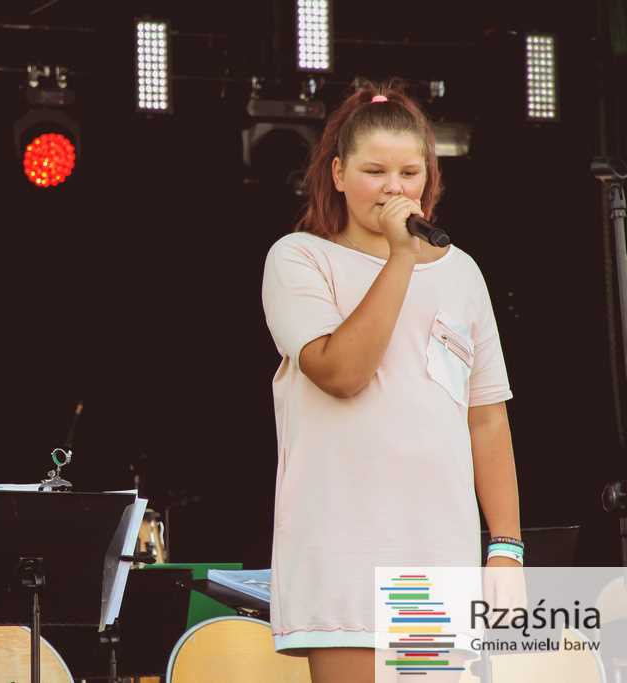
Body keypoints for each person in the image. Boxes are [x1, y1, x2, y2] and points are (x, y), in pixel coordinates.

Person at [261, 80, 523, 683]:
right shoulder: (300, 259)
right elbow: (341, 372)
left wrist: (506, 547)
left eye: (409, 173)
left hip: (434, 551)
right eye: (374, 171)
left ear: (430, 178)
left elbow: (486, 417)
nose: (394, 188)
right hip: (342, 549)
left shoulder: (462, 272)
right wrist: (401, 258)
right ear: (337, 174)